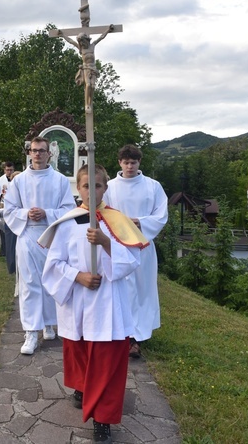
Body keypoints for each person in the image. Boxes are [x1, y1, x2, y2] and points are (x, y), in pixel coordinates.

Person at [40, 163, 148, 443]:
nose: (92, 191)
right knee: (79, 351)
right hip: (77, 298)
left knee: (107, 360)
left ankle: (102, 419)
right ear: (79, 188)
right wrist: (78, 276)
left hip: (108, 302)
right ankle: (81, 387)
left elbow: (132, 262)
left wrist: (106, 242)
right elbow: (53, 266)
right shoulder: (67, 222)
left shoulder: (117, 221)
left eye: (97, 185)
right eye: (86, 186)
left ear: (106, 188)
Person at [3, 136, 76, 355]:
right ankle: (31, 331)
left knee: (52, 281)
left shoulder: (60, 180)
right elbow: (9, 209)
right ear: (29, 153)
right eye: (33, 150)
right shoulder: (19, 181)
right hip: (28, 235)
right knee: (30, 284)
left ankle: (50, 323)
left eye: (42, 151)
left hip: (53, 236)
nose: (37, 154)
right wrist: (27, 213)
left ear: (49, 154)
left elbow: (68, 208)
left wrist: (47, 213)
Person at [103, 144, 168, 358]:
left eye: (133, 162)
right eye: (126, 162)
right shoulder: (109, 187)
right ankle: (123, 334)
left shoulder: (153, 186)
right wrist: (120, 227)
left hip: (143, 246)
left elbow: (160, 215)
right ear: (119, 162)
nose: (129, 166)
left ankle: (138, 336)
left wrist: (139, 222)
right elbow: (104, 213)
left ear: (139, 162)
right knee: (123, 289)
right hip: (118, 245)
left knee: (142, 290)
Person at [0, 162, 15, 256]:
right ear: (4, 170)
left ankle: (12, 250)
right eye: (7, 170)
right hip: (3, 209)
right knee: (3, 230)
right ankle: (4, 250)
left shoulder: (17, 179)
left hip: (14, 210)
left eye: (11, 170)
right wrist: (1, 196)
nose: (9, 172)